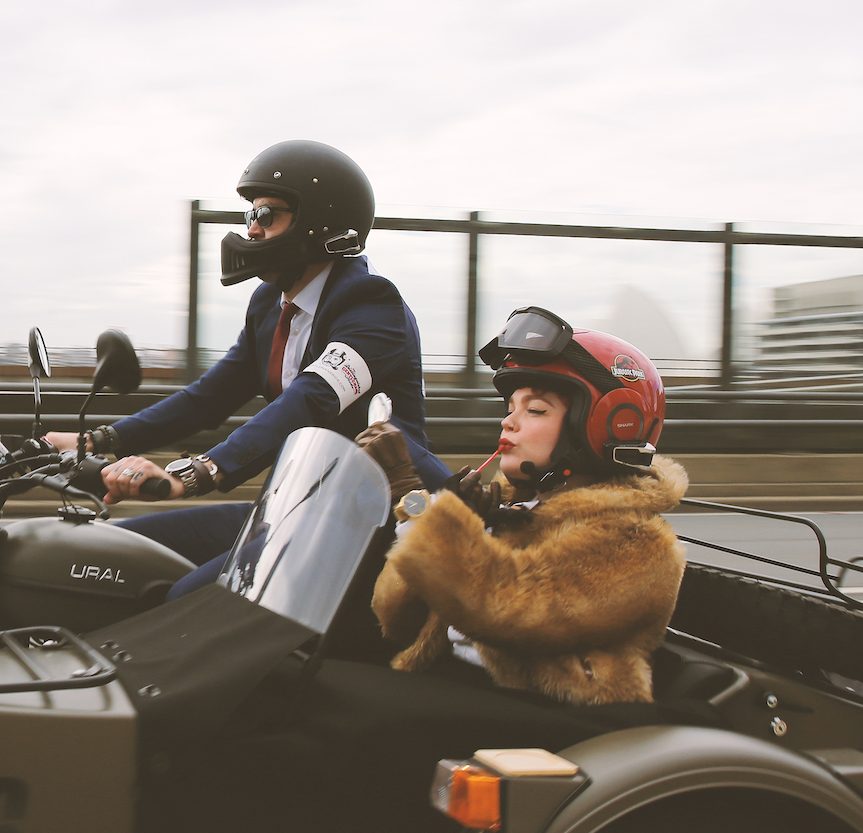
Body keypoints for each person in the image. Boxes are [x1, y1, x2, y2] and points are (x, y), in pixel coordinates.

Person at [47, 139, 450, 598]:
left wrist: (198, 472)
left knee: (189, 602)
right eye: (250, 216)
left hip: (371, 517)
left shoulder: (372, 306)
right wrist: (97, 441)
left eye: (266, 216)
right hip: (296, 505)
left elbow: (312, 398)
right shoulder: (269, 306)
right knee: (113, 551)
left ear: (319, 223)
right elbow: (207, 398)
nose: (252, 231)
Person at [371, 306, 688, 704]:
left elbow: (506, 608)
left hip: (555, 720)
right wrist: (446, 514)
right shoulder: (515, 512)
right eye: (510, 408)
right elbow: (394, 617)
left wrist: (417, 495)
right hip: (465, 690)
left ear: (606, 425)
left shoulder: (637, 543)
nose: (509, 422)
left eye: (535, 410)